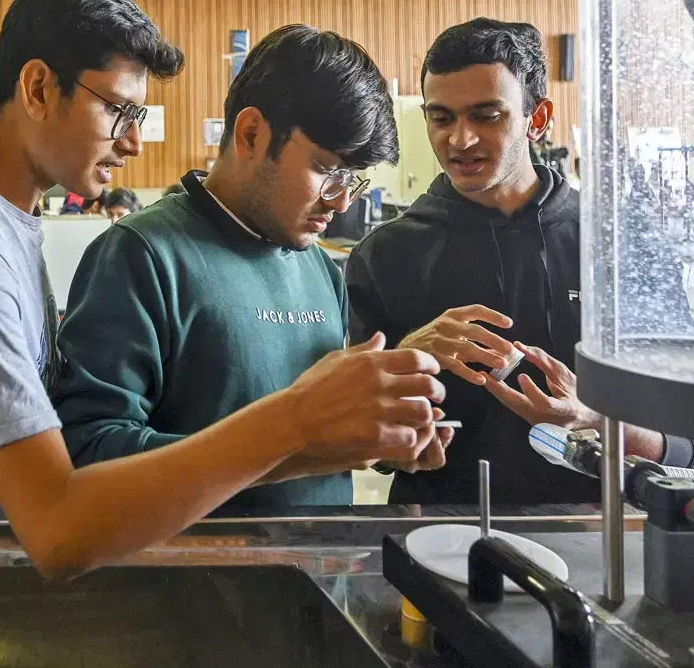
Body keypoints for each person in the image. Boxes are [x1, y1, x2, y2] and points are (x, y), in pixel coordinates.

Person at [0, 0, 446, 580]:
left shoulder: (4, 225)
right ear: (41, 89)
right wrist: (296, 422)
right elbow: (57, 523)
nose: (132, 143)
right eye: (120, 112)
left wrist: (344, 434)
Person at [53, 25, 454, 508]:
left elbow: (322, 440)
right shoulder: (142, 256)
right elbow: (91, 454)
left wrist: (379, 438)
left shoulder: (322, 271)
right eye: (327, 171)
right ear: (251, 134)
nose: (343, 199)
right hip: (201, 576)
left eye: (354, 178)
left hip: (324, 572)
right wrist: (296, 446)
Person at [346, 18, 694, 506]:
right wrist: (403, 365)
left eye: (486, 116)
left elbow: (691, 448)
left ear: (537, 119)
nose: (460, 140)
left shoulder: (625, 248)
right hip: (437, 544)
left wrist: (595, 422)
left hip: (606, 541)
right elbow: (362, 446)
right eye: (442, 117)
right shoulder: (384, 257)